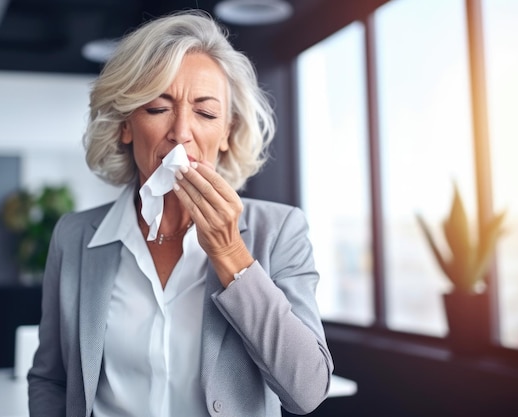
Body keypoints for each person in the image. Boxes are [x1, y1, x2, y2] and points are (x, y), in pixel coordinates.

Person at [28, 9, 333, 417]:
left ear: (226, 133)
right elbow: (51, 377)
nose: (181, 132)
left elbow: (308, 391)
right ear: (125, 125)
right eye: (157, 108)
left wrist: (230, 254)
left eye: (206, 113)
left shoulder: (279, 231)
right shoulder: (74, 236)